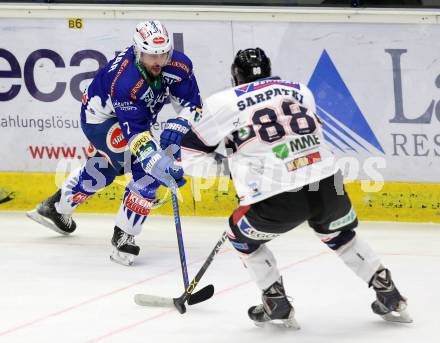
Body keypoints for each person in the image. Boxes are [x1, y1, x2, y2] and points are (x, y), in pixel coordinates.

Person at [181, 48, 412, 328]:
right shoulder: (300, 91)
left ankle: (275, 301)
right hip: (329, 186)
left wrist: (230, 168)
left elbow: (189, 153)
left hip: (277, 199)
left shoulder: (222, 102)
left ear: (234, 76)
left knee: (241, 237)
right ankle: (388, 291)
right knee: (341, 235)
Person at [27, 20, 202, 266]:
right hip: (100, 119)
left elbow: (192, 106)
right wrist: (157, 162)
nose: (158, 62)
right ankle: (124, 235)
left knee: (107, 170)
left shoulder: (179, 65)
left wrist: (180, 125)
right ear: (138, 51)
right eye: (151, 55)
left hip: (132, 119)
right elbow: (137, 135)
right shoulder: (125, 81)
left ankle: (56, 207)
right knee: (146, 171)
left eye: (163, 54)